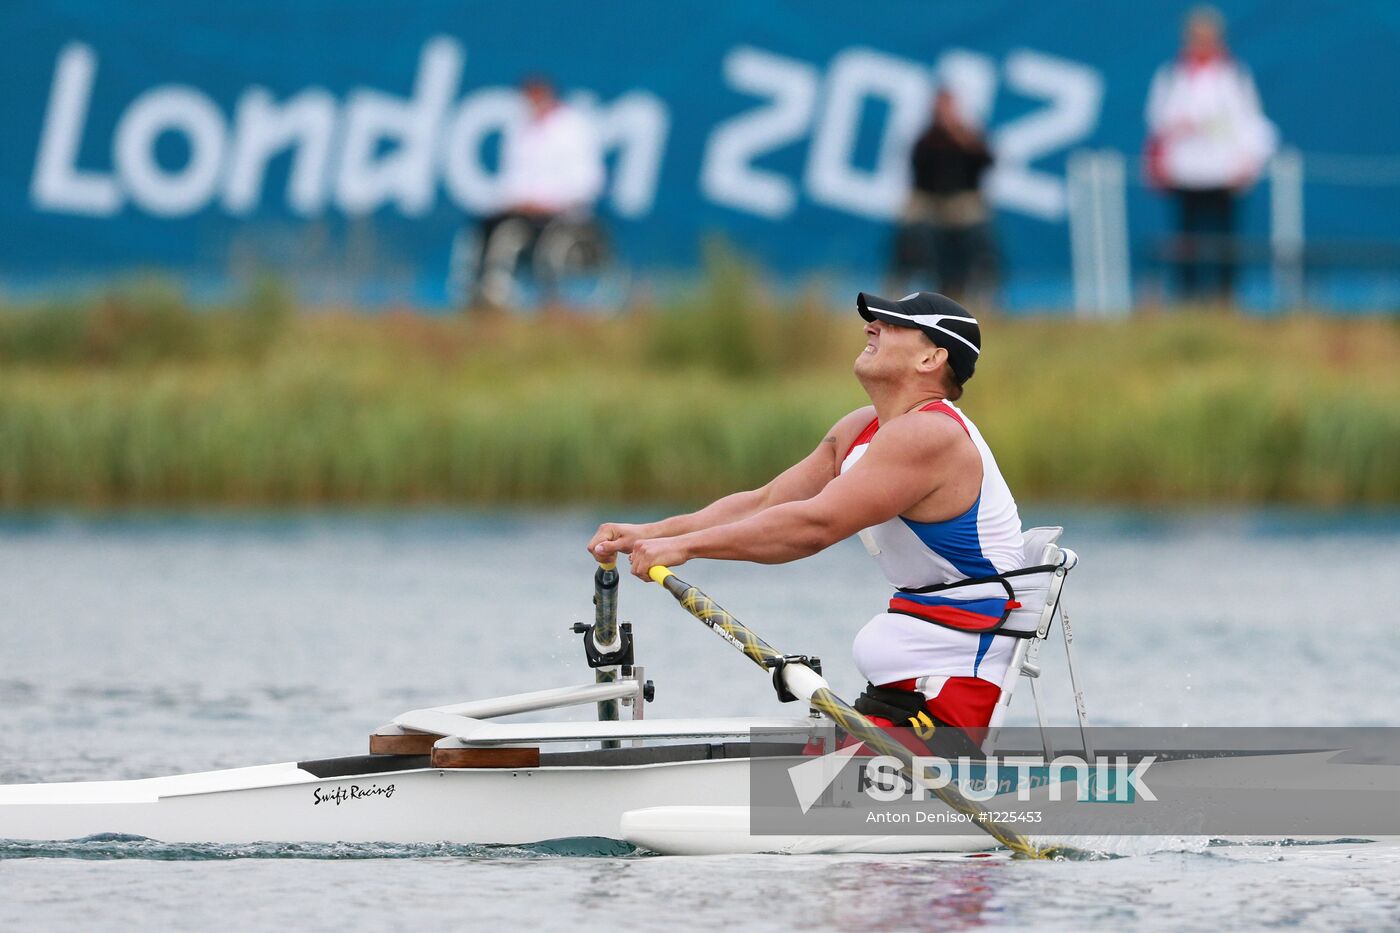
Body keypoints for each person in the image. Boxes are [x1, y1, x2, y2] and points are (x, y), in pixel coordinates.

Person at [589, 291, 1028, 743]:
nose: (870, 327)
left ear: (932, 358)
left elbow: (812, 528)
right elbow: (767, 503)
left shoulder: (930, 434)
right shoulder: (864, 426)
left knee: (776, 785)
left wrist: (686, 548)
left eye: (892, 324)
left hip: (948, 703)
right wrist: (652, 532)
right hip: (903, 698)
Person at [1145, 6, 1277, 303]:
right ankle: (1186, 297)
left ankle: (1224, 297)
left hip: (1223, 172)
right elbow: (1157, 121)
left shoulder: (1233, 76)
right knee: (1186, 239)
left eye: (1208, 36)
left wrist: (1248, 162)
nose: (1202, 42)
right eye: (1196, 36)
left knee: (1224, 239)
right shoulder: (1171, 76)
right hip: (1185, 172)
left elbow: (1251, 122)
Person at [469, 75, 606, 307]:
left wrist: (547, 202)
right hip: (525, 211)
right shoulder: (520, 129)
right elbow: (513, 177)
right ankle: (483, 289)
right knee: (486, 225)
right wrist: (513, 200)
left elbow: (588, 182)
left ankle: (509, 291)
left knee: (509, 232)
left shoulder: (573, 128)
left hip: (561, 214)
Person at [890, 90, 997, 303]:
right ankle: (900, 293)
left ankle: (983, 296)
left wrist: (959, 135)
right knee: (910, 234)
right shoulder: (927, 140)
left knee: (979, 239)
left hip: (962, 203)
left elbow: (986, 162)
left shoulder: (968, 137)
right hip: (932, 203)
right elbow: (919, 175)